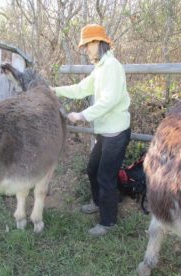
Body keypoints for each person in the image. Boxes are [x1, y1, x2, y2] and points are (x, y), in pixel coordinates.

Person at [52, 24, 131, 237]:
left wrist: (82, 115)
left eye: (89, 44)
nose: (86, 49)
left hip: (116, 134)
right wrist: (54, 91)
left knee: (106, 177)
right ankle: (98, 203)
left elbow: (109, 101)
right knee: (92, 169)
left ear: (99, 43)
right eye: (85, 45)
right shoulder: (100, 68)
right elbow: (80, 89)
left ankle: (108, 222)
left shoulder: (112, 66)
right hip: (105, 133)